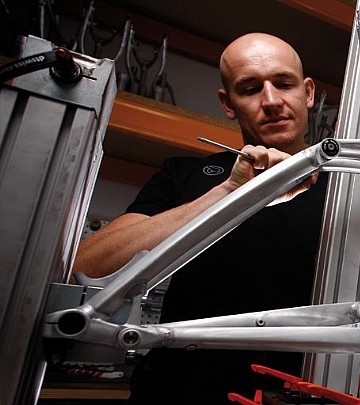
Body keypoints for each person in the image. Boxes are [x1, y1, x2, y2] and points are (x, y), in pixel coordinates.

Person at [73, 33, 325, 403]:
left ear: (308, 92)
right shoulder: (184, 176)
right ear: (228, 103)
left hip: (303, 392)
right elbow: (88, 266)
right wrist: (227, 193)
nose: (271, 101)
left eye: (284, 84)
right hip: (178, 393)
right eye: (250, 88)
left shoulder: (353, 188)